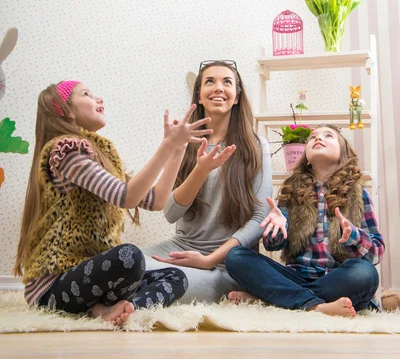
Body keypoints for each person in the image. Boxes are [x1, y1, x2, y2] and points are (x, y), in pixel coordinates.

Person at [14, 80, 212, 324]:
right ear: (63, 109)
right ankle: (97, 310)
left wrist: (177, 150)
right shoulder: (65, 152)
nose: (99, 99)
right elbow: (126, 197)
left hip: (92, 280)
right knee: (129, 257)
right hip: (54, 288)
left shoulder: (101, 154)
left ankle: (122, 310)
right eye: (87, 94)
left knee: (175, 277)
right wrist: (167, 144)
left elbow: (156, 200)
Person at [143, 60, 272, 303]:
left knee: (172, 281)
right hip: (182, 246)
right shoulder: (184, 143)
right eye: (209, 81)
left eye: (227, 82)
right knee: (120, 263)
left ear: (236, 97)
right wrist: (200, 170)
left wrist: (208, 260)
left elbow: (260, 220)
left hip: (226, 262)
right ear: (199, 96)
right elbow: (170, 213)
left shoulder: (256, 147)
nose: (218, 88)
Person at [225, 125, 384, 317]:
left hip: (337, 278)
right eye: (312, 137)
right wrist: (276, 229)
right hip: (295, 277)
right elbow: (272, 246)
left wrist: (355, 237)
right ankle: (315, 306)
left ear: (343, 154)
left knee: (364, 273)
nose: (318, 138)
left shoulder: (359, 193)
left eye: (328, 136)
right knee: (236, 256)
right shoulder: (292, 192)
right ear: (306, 158)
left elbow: (376, 254)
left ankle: (272, 299)